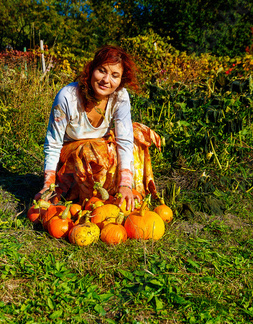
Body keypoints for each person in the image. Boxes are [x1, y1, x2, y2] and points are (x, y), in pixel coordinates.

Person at [34, 45, 161, 212]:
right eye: (102, 70)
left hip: (98, 150)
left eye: (114, 75)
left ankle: (124, 191)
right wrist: (48, 183)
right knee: (91, 149)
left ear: (121, 80)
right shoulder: (68, 96)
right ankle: (85, 196)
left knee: (137, 132)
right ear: (91, 69)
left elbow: (125, 140)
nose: (106, 80)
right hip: (72, 159)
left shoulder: (120, 97)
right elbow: (53, 143)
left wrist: (125, 183)